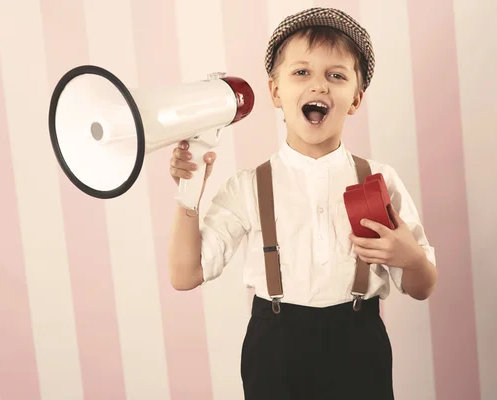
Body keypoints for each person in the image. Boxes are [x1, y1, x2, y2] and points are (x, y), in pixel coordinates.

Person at [167, 7, 437, 400]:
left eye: (336, 75)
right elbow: (185, 275)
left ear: (356, 98)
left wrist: (411, 258)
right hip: (274, 352)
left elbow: (422, 286)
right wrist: (188, 193)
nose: (319, 86)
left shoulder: (380, 181)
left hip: (360, 349)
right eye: (301, 72)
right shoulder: (247, 186)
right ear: (276, 91)